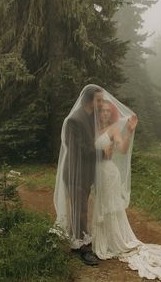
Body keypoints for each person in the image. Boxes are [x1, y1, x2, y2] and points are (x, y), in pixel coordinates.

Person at [92, 99, 161, 280]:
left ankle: (115, 241)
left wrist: (128, 131)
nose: (104, 113)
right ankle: (102, 241)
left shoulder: (113, 129)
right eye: (101, 111)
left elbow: (122, 149)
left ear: (110, 113)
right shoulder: (94, 130)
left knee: (111, 206)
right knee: (100, 203)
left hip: (109, 172)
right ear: (98, 113)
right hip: (97, 174)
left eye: (107, 111)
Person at [53, 85, 113, 266]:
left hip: (86, 173)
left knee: (82, 208)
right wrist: (103, 153)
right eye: (99, 100)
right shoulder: (74, 120)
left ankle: (78, 241)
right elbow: (79, 149)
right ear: (90, 100)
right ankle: (82, 249)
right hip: (75, 173)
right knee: (80, 211)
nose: (101, 103)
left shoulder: (89, 117)